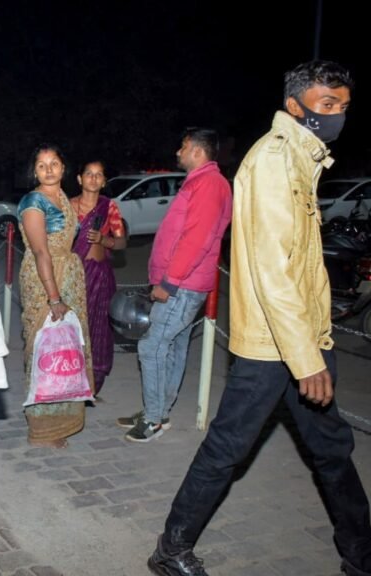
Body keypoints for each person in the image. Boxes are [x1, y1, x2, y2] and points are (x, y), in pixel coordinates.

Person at [147, 61, 371, 576]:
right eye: (326, 105)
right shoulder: (274, 161)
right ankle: (171, 548)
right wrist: (305, 359)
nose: (336, 116)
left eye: (343, 106)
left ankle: (360, 553)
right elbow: (274, 271)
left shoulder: (300, 158)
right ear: (295, 106)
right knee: (228, 448)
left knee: (332, 450)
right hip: (273, 347)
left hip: (301, 341)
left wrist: (313, 347)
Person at [117, 128, 232, 443]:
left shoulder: (209, 185)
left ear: (196, 150)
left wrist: (170, 282)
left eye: (182, 146)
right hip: (186, 282)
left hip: (182, 284)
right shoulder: (202, 183)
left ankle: (153, 419)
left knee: (151, 345)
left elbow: (195, 240)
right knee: (173, 345)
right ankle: (159, 410)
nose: (177, 152)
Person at [17, 143, 94, 448]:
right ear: (33, 171)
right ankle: (43, 427)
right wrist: (53, 297)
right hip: (44, 279)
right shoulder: (33, 203)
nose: (48, 170)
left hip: (69, 275)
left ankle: (66, 416)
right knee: (44, 349)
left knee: (68, 349)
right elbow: (40, 252)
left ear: (64, 168)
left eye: (54, 164)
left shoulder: (62, 198)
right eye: (41, 165)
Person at [69, 160, 126, 396]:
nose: (93, 178)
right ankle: (69, 378)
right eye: (88, 174)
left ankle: (93, 382)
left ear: (103, 182)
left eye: (98, 175)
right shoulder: (68, 206)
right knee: (73, 328)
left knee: (98, 328)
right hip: (72, 276)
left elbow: (121, 242)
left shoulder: (109, 207)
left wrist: (104, 240)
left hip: (99, 278)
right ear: (80, 179)